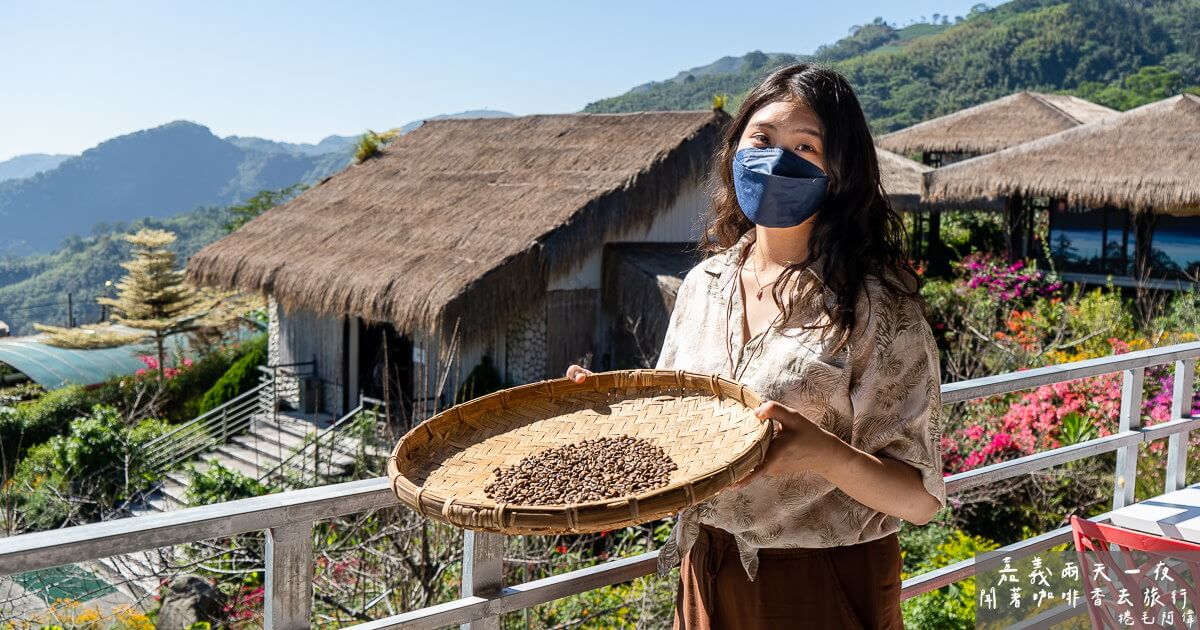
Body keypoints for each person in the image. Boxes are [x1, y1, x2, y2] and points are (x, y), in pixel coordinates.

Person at [565, 62, 946, 629]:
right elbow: (677, 426)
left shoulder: (877, 307)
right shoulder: (704, 286)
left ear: (839, 173)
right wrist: (611, 413)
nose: (776, 160)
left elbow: (920, 499)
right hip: (706, 566)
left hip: (823, 583)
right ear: (735, 151)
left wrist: (821, 451)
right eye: (762, 140)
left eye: (805, 147)